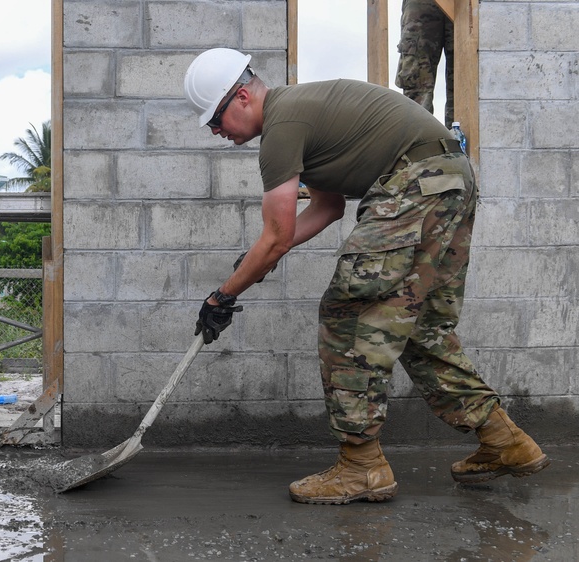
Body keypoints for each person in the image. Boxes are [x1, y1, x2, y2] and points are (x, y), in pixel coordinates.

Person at [183, 48, 549, 505]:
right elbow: (327, 207)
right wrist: (258, 260)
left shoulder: (281, 129)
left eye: (215, 120)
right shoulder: (302, 115)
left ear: (240, 96)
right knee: (417, 325)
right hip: (449, 179)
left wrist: (222, 296)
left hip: (414, 180)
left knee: (348, 315)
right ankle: (505, 440)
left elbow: (275, 236)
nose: (216, 132)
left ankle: (361, 467)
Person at [396, 0, 454, 128]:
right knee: (417, 78)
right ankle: (420, 143)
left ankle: (461, 144)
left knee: (466, 79)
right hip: (422, 4)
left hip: (467, 4)